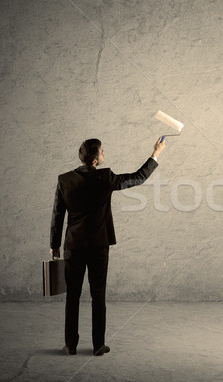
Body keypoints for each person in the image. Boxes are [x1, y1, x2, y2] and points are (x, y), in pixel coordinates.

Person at [49, 136, 166, 356]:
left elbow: (57, 215)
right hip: (98, 246)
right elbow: (138, 177)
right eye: (102, 152)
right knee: (98, 294)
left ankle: (70, 345)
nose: (104, 155)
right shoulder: (105, 177)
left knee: (72, 295)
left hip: (73, 245)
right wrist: (156, 153)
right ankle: (98, 346)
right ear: (95, 160)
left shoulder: (64, 180)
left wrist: (54, 245)